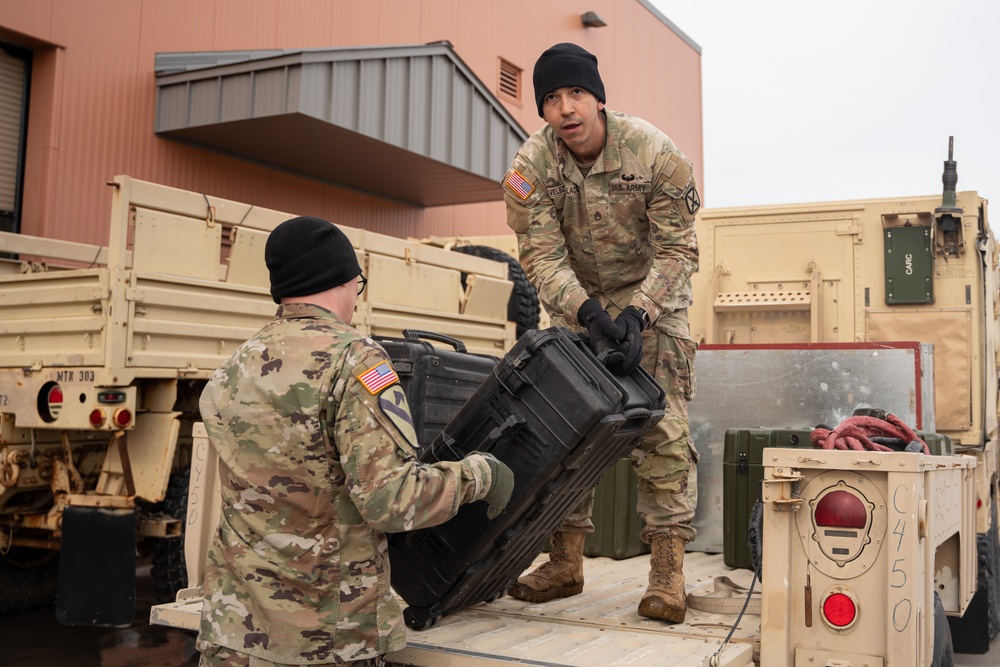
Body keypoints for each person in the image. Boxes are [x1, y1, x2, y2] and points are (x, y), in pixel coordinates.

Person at [196, 216, 514, 666]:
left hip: (233, 635)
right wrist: (479, 476)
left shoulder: (233, 366)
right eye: (357, 285)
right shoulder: (356, 360)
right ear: (344, 281)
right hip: (326, 639)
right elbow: (389, 500)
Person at [502, 43, 700, 624]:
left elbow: (678, 247)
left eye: (577, 94)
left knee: (662, 429)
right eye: (553, 99)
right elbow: (541, 257)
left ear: (598, 98)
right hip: (576, 305)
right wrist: (588, 313)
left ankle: (666, 572)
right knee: (562, 432)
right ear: (543, 111)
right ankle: (564, 561)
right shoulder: (529, 169)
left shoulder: (654, 154)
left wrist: (638, 314)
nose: (566, 109)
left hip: (654, 300)